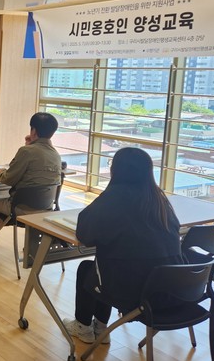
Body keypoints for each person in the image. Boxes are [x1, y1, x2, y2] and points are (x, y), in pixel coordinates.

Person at [62, 147, 184, 344]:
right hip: (171, 290)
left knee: (88, 269)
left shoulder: (114, 198)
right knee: (107, 266)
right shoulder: (159, 200)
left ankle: (83, 328)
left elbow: (85, 234)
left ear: (115, 170)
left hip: (134, 294)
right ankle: (101, 328)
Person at [0, 112, 62, 243]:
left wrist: (2, 172)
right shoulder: (56, 155)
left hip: (22, 207)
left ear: (34, 131)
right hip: (45, 207)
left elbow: (9, 179)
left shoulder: (27, 151)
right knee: (3, 211)